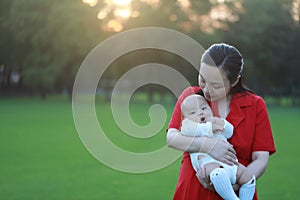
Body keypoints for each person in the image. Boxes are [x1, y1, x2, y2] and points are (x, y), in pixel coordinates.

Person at [166, 43, 276, 200]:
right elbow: (172, 138)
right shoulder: (191, 97)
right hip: (193, 189)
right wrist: (208, 145)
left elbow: (261, 159)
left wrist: (236, 184)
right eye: (203, 80)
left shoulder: (255, 105)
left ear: (235, 80)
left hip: (238, 191)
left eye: (215, 85)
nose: (206, 90)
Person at [180, 94, 255, 200]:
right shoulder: (188, 126)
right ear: (185, 118)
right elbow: (187, 130)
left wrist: (222, 123)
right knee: (218, 174)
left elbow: (229, 132)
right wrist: (210, 127)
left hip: (230, 164)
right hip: (208, 165)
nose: (200, 112)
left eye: (204, 108)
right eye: (193, 112)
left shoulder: (216, 121)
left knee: (249, 177)